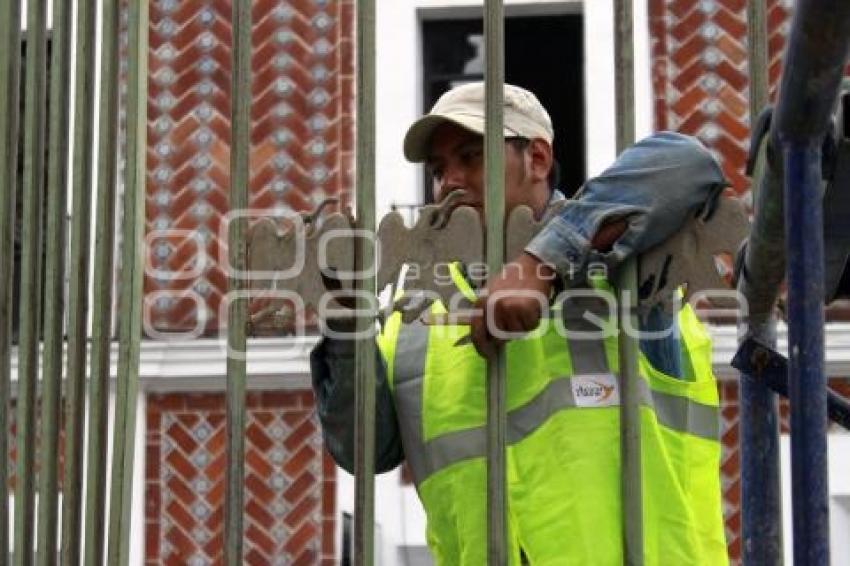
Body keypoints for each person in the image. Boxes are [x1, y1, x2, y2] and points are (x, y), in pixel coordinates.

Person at [311, 82, 728, 564]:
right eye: (439, 169)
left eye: (471, 156)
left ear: (538, 159)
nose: (450, 180)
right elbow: (365, 450)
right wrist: (346, 315)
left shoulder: (619, 262)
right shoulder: (417, 308)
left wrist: (542, 262)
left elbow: (688, 163)